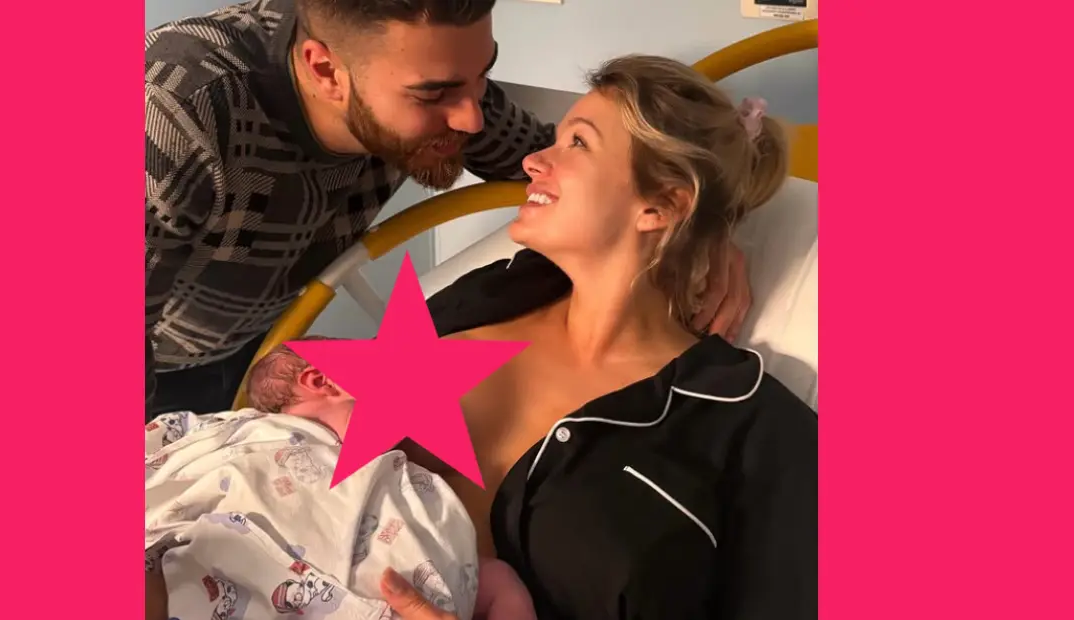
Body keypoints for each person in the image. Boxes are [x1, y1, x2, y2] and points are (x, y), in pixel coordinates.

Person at [144, 0, 754, 421]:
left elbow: (572, 170)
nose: (470, 119)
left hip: (255, 336)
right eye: (433, 94)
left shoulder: (429, 75)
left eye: (480, 76)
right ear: (325, 70)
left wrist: (700, 225)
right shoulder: (171, 113)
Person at [376, 55, 819, 619]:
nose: (534, 160)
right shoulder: (479, 298)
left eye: (578, 143)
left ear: (661, 204)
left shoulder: (753, 435)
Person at [143, 342, 538, 620]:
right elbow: (170, 445)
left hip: (414, 591)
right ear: (322, 381)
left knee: (498, 578)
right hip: (232, 577)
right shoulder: (253, 433)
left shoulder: (398, 473)